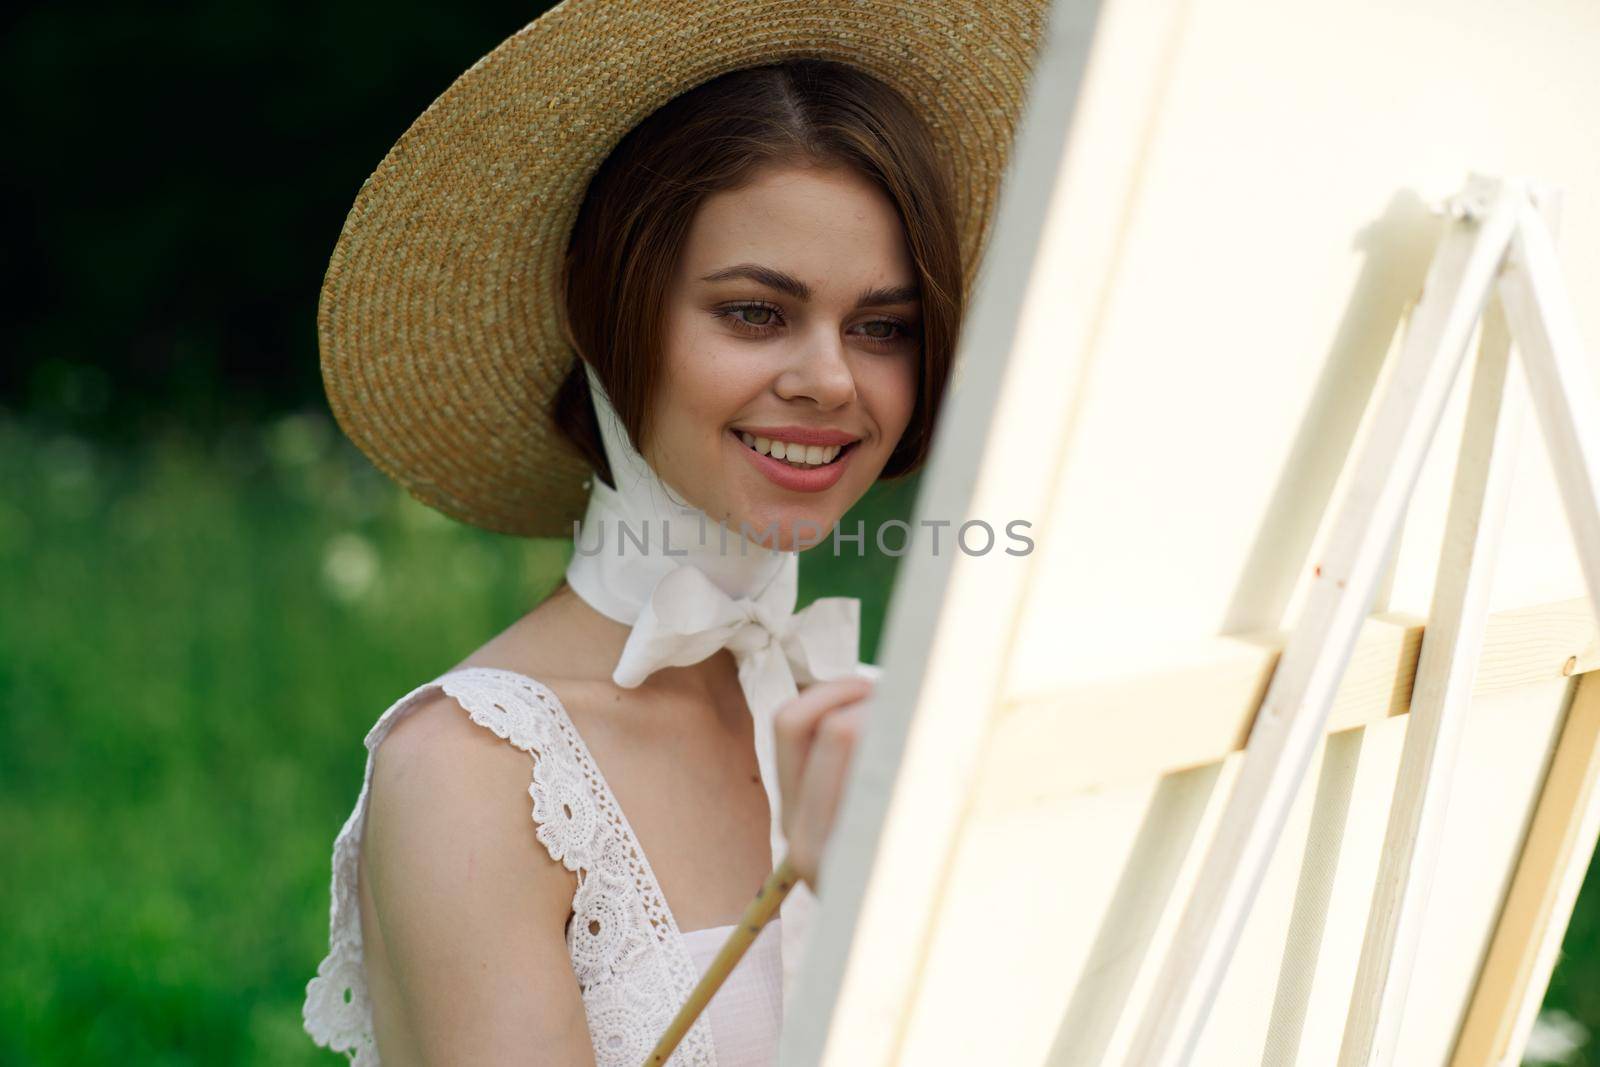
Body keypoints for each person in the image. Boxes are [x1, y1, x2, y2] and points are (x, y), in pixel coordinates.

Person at [302, 3, 1046, 1064]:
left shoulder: (881, 715)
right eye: (754, 312)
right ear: (610, 310)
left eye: (883, 327)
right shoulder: (474, 771)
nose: (829, 379)